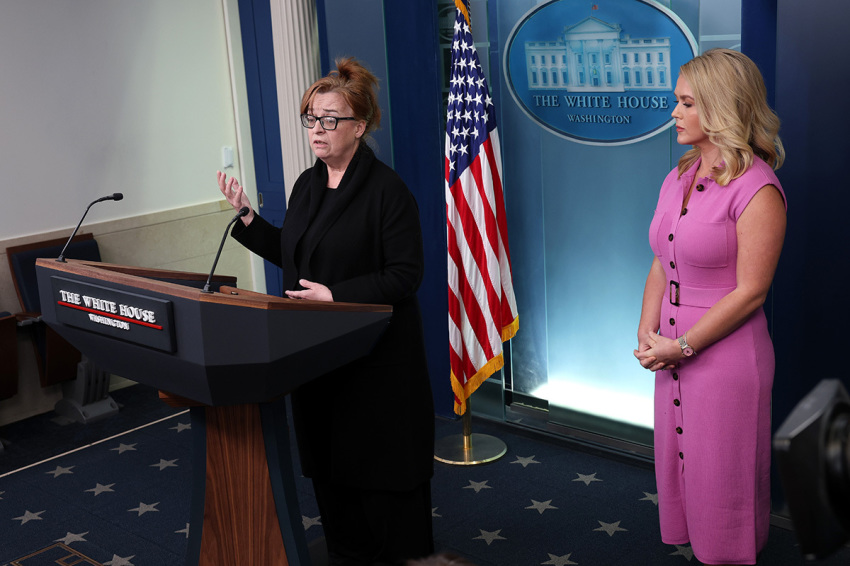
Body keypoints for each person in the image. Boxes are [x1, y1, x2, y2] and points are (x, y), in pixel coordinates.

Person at [217, 57, 435, 565]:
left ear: (359, 127)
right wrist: (249, 217)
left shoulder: (388, 191)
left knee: (382, 480)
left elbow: (406, 275)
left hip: (375, 364)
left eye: (330, 119)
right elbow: (297, 255)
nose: (318, 129)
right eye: (311, 118)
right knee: (334, 478)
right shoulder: (306, 185)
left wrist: (334, 296)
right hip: (318, 359)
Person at [633, 48, 786, 565]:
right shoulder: (677, 175)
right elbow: (661, 259)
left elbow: (751, 292)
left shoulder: (757, 187)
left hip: (724, 361)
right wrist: (646, 333)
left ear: (720, 107)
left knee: (724, 483)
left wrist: (682, 346)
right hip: (672, 350)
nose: (674, 112)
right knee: (687, 473)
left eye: (686, 103)